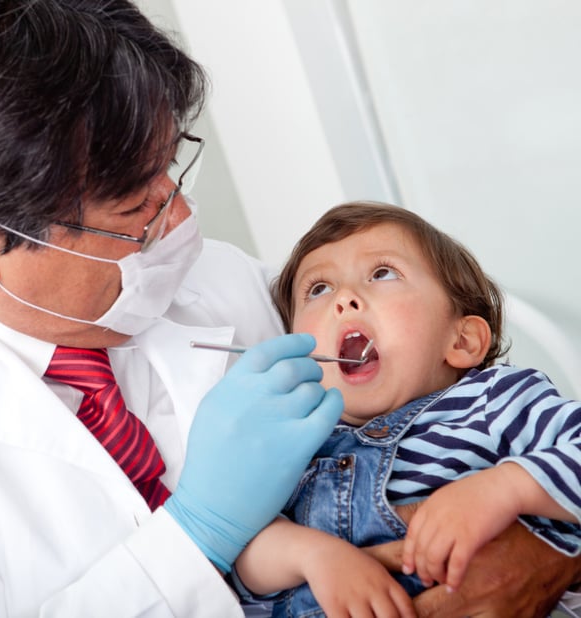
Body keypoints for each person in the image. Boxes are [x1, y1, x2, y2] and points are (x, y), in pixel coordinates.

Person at [0, 1, 578, 615]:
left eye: (169, 170)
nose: (177, 219)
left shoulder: (220, 281)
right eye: (134, 209)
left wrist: (547, 554)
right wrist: (199, 533)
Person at [233, 201, 581, 617]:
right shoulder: (292, 441)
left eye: (382, 273)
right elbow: (244, 552)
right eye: (319, 289)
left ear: (463, 341)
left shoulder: (495, 400)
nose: (344, 298)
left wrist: (504, 488)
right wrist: (313, 555)